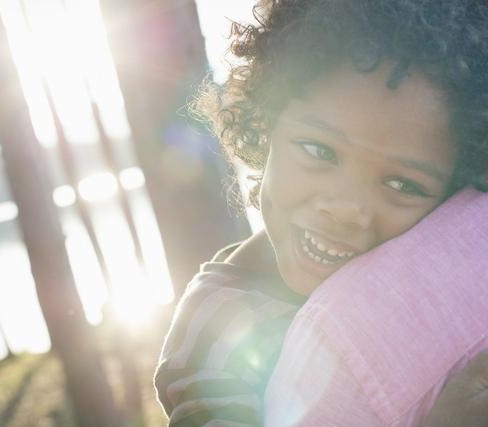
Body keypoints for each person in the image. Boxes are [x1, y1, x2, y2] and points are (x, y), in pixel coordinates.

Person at [154, 0, 488, 425]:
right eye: (319, 150)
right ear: (266, 119)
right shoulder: (216, 331)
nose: (346, 209)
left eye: (403, 185)